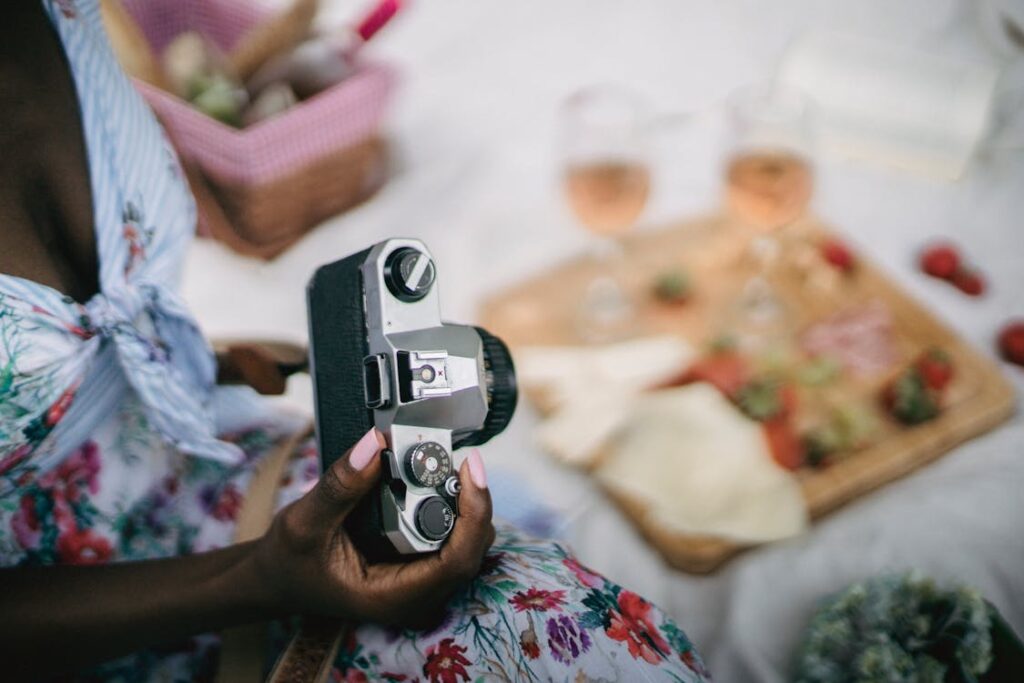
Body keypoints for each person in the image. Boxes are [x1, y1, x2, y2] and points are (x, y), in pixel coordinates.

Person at [0, 1, 709, 681]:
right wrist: (263, 579)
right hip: (91, 614)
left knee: (579, 638)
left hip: (213, 445)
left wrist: (213, 358)